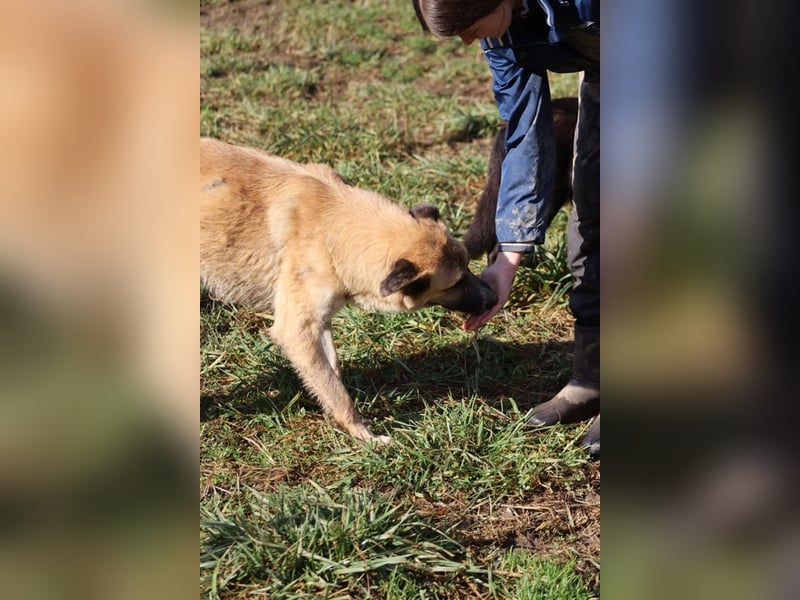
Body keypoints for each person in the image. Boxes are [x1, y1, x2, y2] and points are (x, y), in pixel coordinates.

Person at [411, 0, 600, 456]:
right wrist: (507, 259)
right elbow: (524, 131)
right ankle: (592, 378)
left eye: (469, 27)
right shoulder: (501, 30)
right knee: (591, 225)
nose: (467, 41)